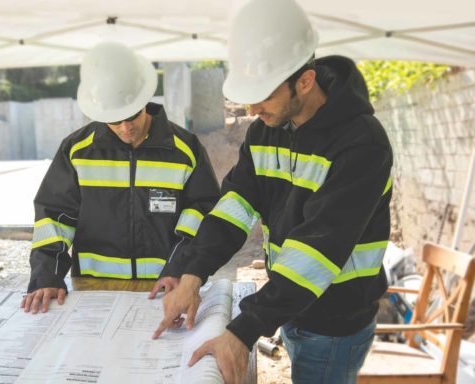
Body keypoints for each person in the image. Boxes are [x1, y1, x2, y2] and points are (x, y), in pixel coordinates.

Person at [153, 0, 393, 382]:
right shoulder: (266, 128)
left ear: (305, 81)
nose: (251, 107)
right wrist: (192, 273)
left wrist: (244, 331)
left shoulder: (362, 144)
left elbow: (317, 250)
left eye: (263, 95)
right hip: (292, 306)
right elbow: (235, 205)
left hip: (335, 323)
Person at [21, 41, 220, 314]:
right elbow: (54, 216)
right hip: (93, 287)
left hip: (166, 286)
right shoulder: (77, 151)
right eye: (114, 121)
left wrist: (179, 268)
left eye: (131, 116)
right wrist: (47, 275)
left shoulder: (185, 149)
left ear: (144, 102)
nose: (126, 128)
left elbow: (201, 211)